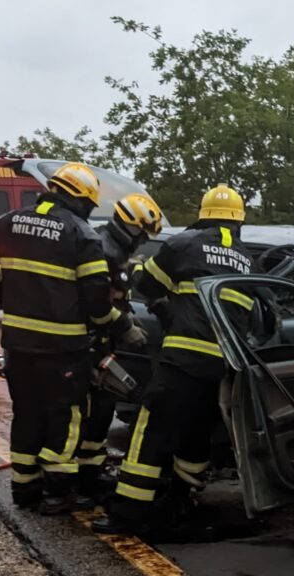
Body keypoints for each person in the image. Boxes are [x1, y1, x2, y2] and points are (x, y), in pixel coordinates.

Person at [93, 184, 257, 536]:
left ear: (203, 215)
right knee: (197, 437)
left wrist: (137, 270)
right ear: (239, 221)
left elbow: (147, 286)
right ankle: (181, 500)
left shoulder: (184, 245)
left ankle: (128, 514)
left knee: (150, 432)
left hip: (183, 361)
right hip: (224, 370)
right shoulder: (247, 259)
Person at [0, 162, 118, 515]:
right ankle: (57, 494)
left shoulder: (10, 221)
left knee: (27, 414)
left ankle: (25, 489)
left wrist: (2, 285)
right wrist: (110, 324)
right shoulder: (81, 234)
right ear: (80, 199)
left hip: (18, 344)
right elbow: (97, 298)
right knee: (65, 417)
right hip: (64, 348)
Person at [74, 192, 165, 505]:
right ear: (132, 228)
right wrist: (125, 327)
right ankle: (84, 481)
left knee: (100, 411)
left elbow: (126, 290)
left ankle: (88, 474)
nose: (142, 242)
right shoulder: (105, 251)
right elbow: (99, 303)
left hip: (98, 341)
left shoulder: (114, 249)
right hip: (90, 343)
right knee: (95, 413)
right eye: (143, 234)